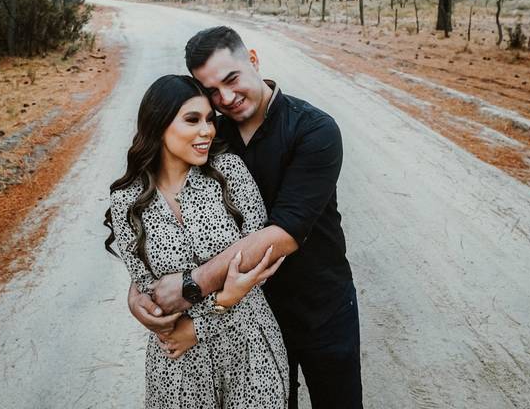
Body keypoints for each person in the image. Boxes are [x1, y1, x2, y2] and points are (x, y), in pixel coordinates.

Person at [127, 27, 363, 409]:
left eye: (232, 79)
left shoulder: (314, 129)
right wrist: (140, 289)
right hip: (246, 317)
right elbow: (160, 212)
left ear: (253, 59)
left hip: (321, 306)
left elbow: (284, 233)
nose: (227, 98)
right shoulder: (210, 138)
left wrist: (190, 285)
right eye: (213, 92)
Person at [105, 74, 289, 408]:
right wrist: (223, 297)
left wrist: (201, 324)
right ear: (159, 124)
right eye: (192, 120)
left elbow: (263, 267)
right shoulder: (126, 201)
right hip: (178, 365)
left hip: (249, 354)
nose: (207, 131)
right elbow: (155, 298)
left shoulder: (229, 173)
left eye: (209, 120)